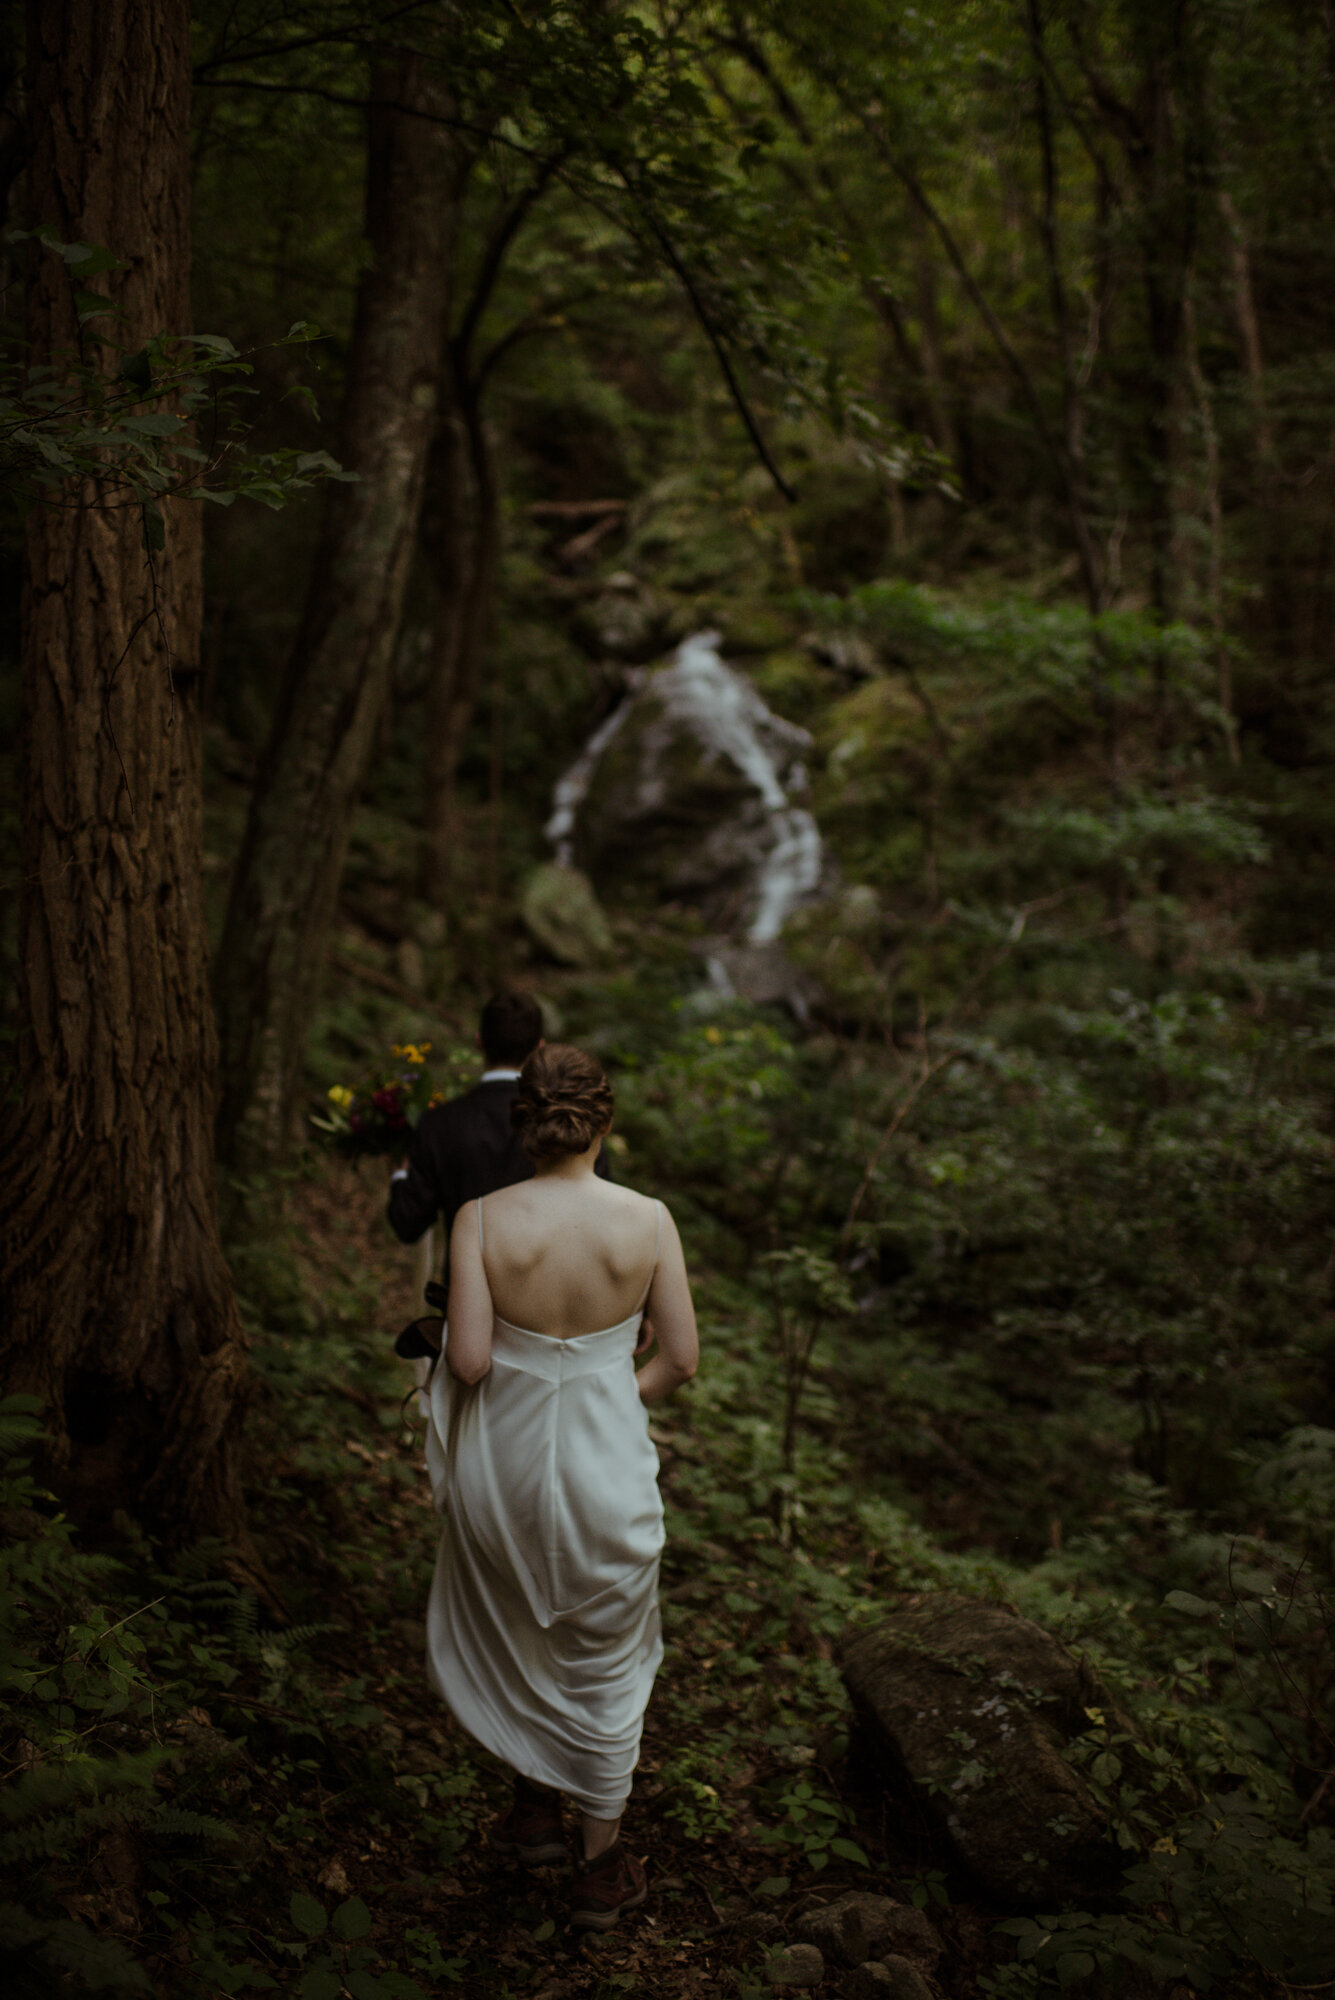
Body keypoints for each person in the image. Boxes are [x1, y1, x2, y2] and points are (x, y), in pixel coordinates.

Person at [423, 1044, 698, 1931]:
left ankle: (536, 1806)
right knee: (605, 1649)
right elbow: (681, 1359)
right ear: (602, 1122)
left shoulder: (477, 1218)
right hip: (604, 1462)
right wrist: (612, 1394)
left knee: (521, 1620)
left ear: (522, 1124)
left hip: (502, 1470)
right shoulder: (649, 1220)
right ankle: (600, 1864)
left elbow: (467, 1360)